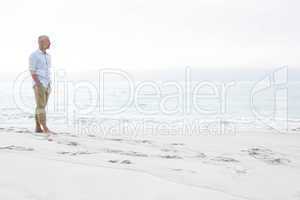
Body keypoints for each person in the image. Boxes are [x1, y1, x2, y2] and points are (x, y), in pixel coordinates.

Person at [29, 35, 52, 134]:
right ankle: (45, 128)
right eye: (48, 42)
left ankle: (38, 128)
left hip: (47, 83)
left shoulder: (48, 56)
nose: (50, 43)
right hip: (40, 83)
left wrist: (49, 83)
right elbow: (32, 71)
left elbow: (47, 71)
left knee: (40, 106)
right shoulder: (34, 55)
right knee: (41, 106)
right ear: (41, 42)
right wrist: (38, 84)